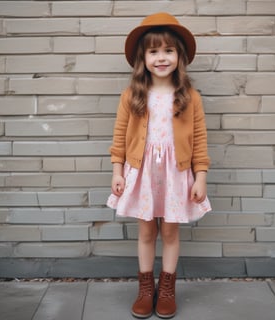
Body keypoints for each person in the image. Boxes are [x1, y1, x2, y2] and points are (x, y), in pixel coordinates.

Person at [107, 12, 211, 319]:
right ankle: (145, 288)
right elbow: (119, 137)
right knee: (146, 233)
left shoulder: (190, 97)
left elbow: (201, 141)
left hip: (177, 174)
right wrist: (117, 172)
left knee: (170, 233)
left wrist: (200, 176)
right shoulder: (132, 96)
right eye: (154, 51)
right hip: (141, 173)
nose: (161, 57)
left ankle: (166, 289)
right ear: (143, 58)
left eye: (168, 50)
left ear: (179, 56)